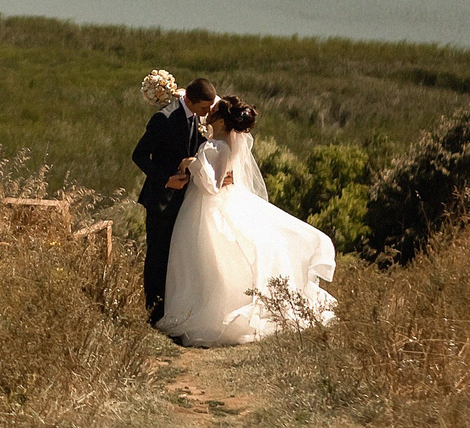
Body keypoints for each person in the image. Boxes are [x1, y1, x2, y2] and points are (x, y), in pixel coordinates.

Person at [157, 95, 338, 347]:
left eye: (214, 111)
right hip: (208, 203)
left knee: (204, 258)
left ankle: (205, 313)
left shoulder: (215, 146)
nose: (208, 113)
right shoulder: (221, 144)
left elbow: (212, 186)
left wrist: (192, 164)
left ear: (221, 121)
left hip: (206, 207)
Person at [131, 71, 217, 325]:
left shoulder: (197, 118)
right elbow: (139, 155)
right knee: (158, 257)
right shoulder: (164, 119)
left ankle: (173, 310)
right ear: (189, 100)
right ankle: (153, 315)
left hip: (185, 200)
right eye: (204, 108)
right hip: (161, 200)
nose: (207, 112)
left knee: (177, 257)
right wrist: (166, 179)